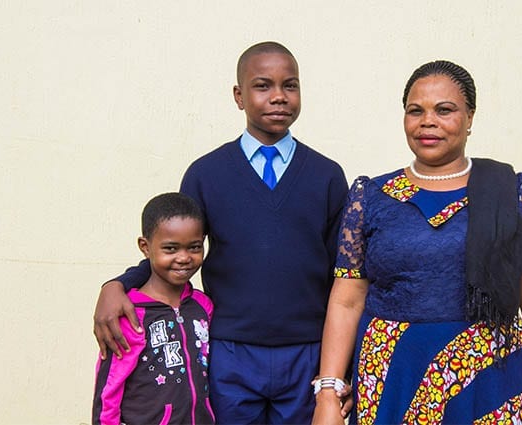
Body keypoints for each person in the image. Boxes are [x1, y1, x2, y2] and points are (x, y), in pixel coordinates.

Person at [93, 41, 350, 424]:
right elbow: (174, 252)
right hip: (229, 352)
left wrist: (341, 369)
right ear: (239, 96)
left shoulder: (327, 176)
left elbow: (345, 278)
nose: (278, 97)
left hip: (306, 353)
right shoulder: (206, 174)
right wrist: (117, 284)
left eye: (290, 86)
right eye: (263, 86)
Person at [312, 60, 522, 425]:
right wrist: (328, 394)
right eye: (416, 111)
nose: (427, 121)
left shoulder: (507, 191)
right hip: (391, 376)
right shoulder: (371, 195)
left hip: (486, 376)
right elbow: (347, 300)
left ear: (470, 117)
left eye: (444, 110)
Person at [92, 192, 214, 425]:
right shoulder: (129, 314)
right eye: (170, 249)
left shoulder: (203, 306)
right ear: (145, 247)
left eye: (194, 247)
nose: (184, 258)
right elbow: (109, 388)